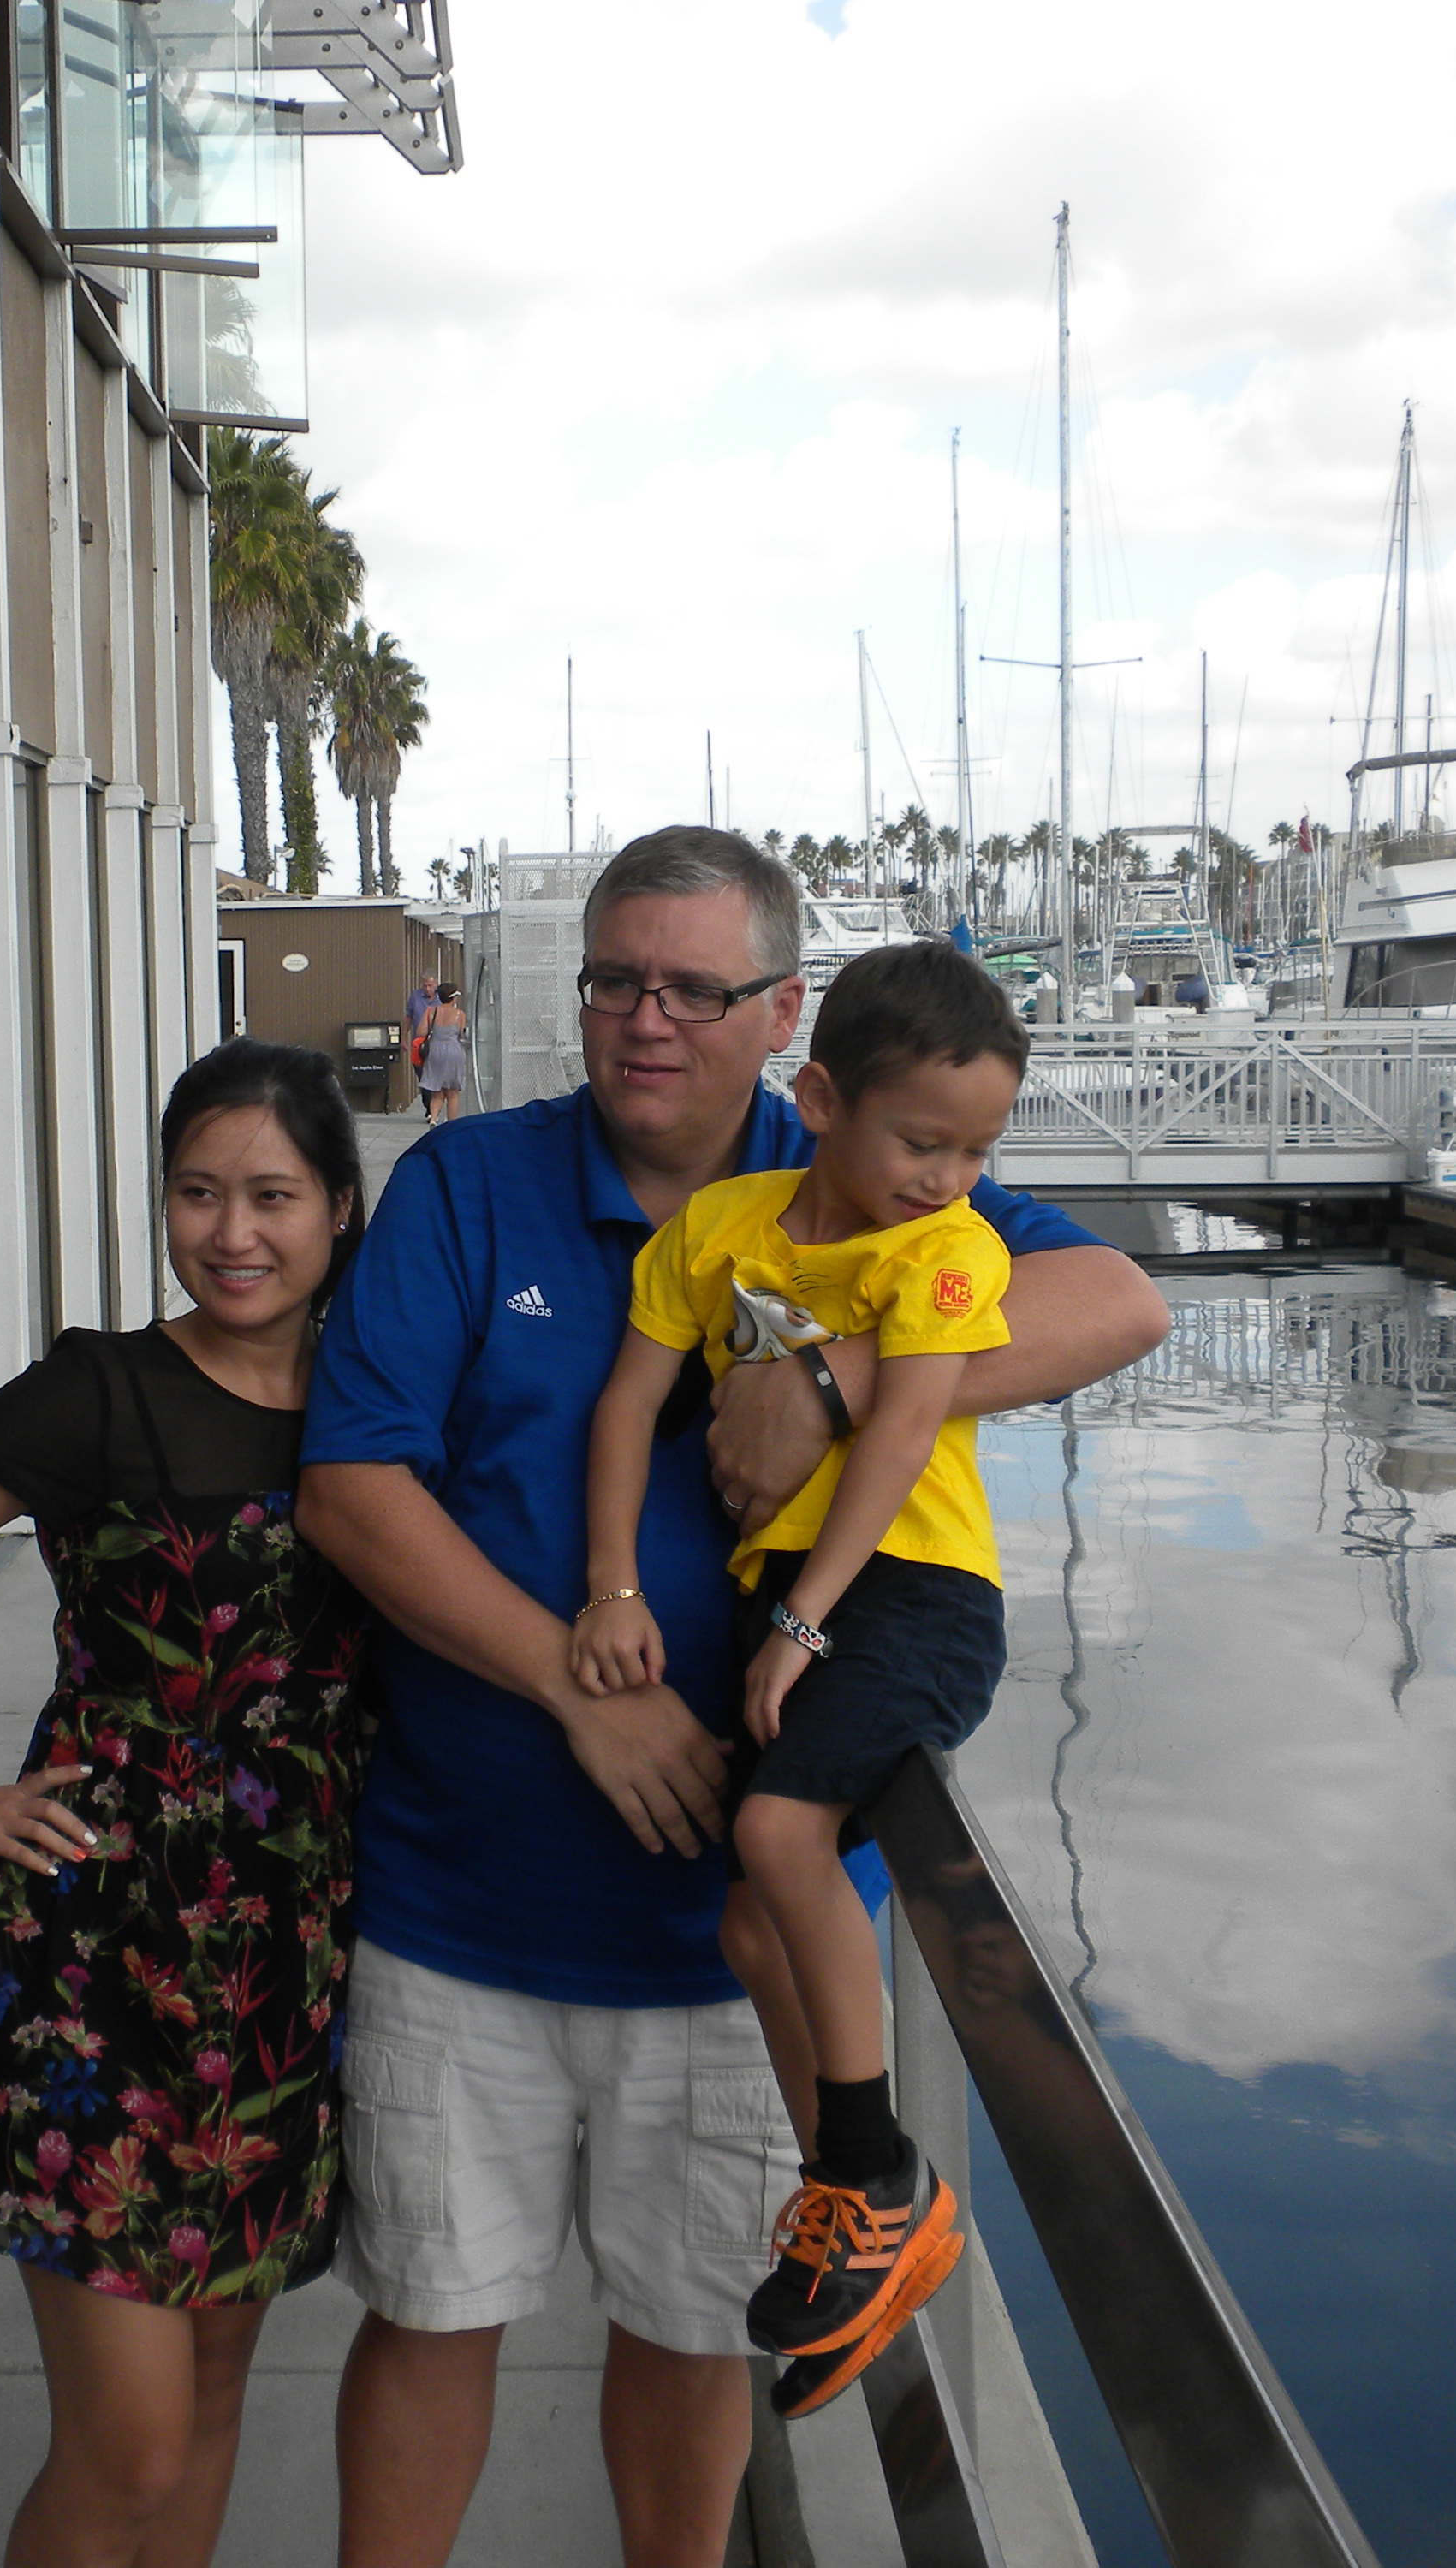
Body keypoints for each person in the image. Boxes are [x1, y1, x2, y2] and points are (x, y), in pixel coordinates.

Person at [295, 827, 1169, 2568]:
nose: (645, 1021)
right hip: (459, 1904)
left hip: (721, 1948)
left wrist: (841, 1376)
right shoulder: (468, 1188)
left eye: (693, 990)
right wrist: (578, 1686)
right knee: (428, 2314)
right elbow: (350, 1489)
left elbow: (1117, 1299)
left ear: (781, 1017)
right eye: (614, 981)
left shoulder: (873, 1166)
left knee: (690, 2333)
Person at [0, 1040, 376, 2568]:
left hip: (287, 1961)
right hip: (97, 1960)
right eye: (198, 1192)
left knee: (217, 2388)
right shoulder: (100, 1390)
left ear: (339, 1206)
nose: (232, 1233)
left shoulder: (376, 1399)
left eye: (272, 1196)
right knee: (129, 2446)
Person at [573, 939, 1031, 2422]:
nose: (948, 1178)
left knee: (778, 1838)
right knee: (746, 1924)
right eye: (922, 1143)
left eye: (977, 1152)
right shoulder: (718, 1231)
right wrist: (611, 1587)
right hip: (800, 1597)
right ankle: (861, 2191)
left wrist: (805, 1624)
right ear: (820, 1099)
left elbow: (897, 1437)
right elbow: (627, 1408)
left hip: (915, 1593)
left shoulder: (948, 1254)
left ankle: (872, 2181)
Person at [415, 984, 467, 1126]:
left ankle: (433, 1119)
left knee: (437, 1092)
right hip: (453, 1051)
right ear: (453, 998)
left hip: (435, 1051)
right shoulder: (459, 1014)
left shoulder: (431, 1011)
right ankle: (451, 1124)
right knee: (452, 1093)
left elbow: (421, 1032)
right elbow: (462, 1035)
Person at [404, 966, 442, 1116]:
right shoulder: (415, 997)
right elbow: (408, 1017)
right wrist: (403, 1037)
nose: (427, 989)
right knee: (422, 1076)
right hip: (419, 1042)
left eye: (430, 986)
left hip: (437, 1042)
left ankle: (433, 1110)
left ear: (436, 984)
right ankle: (428, 1105)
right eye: (425, 986)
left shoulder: (441, 998)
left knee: (435, 1076)